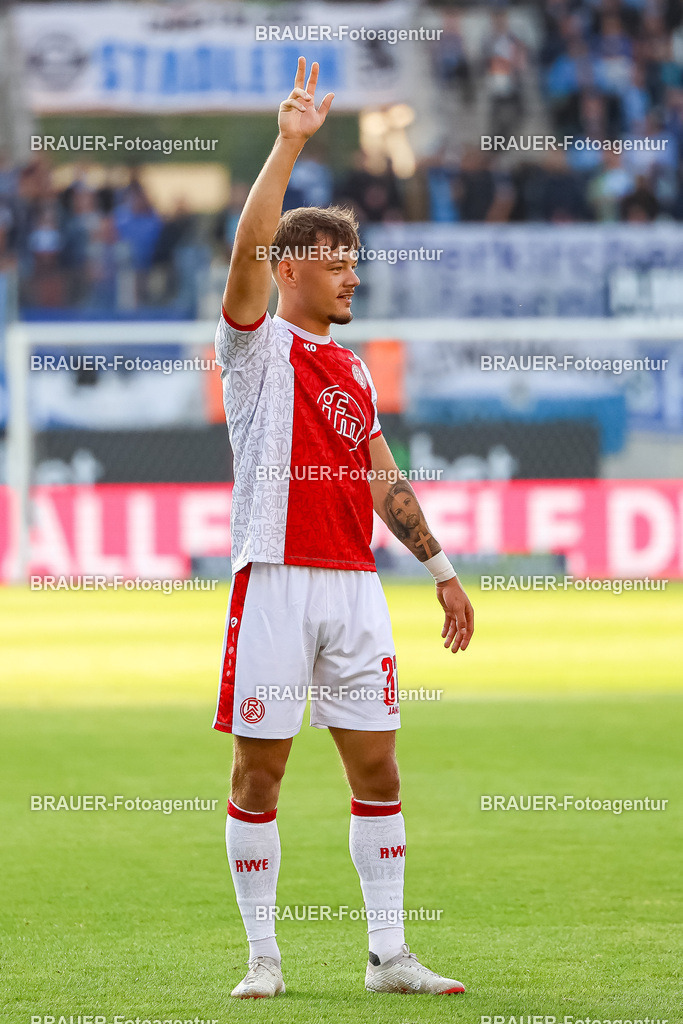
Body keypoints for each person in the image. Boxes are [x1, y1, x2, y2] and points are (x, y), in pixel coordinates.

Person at [212, 58, 474, 999]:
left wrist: (440, 565)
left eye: (352, 262)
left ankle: (388, 956)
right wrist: (289, 145)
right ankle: (264, 956)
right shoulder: (255, 347)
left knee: (379, 765)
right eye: (335, 263)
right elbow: (246, 251)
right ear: (292, 272)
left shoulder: (355, 372)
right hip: (274, 577)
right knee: (259, 775)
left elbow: (381, 477)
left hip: (355, 586)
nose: (351, 276)